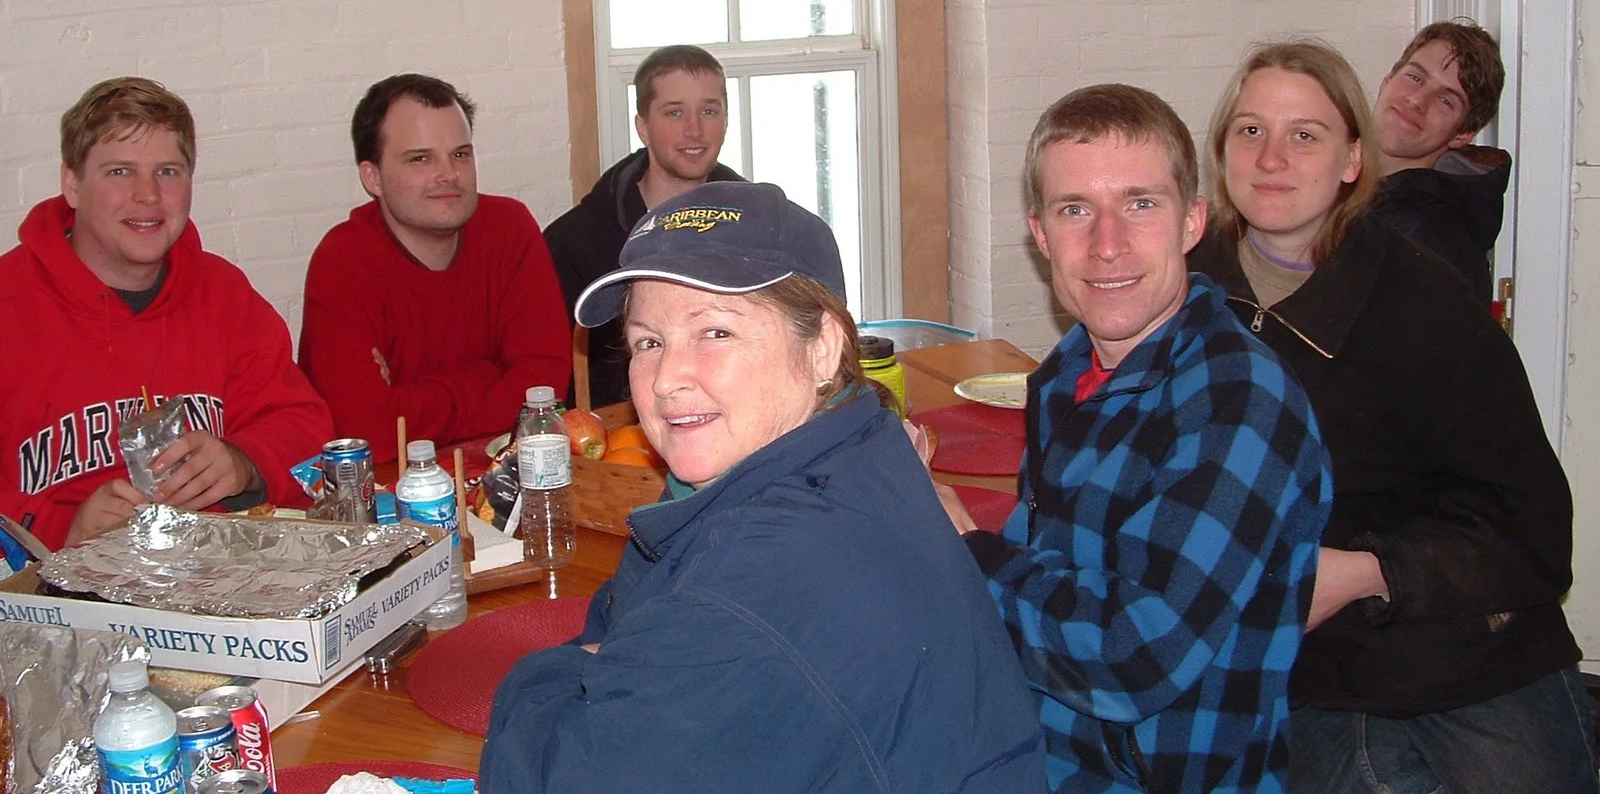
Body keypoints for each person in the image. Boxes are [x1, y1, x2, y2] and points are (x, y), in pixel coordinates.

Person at [479, 181, 1046, 794]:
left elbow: (543, 778)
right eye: (648, 341)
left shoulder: (760, 580)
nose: (667, 378)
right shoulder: (856, 447)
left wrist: (542, 677)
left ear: (824, 347)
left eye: (715, 332)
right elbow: (626, 621)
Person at [1188, 40, 1593, 793]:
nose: (1272, 156)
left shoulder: (1429, 308)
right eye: (1250, 130)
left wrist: (1367, 570)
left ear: (1351, 160)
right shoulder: (1179, 298)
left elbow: (1535, 529)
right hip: (1305, 668)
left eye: (1304, 134)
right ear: (1221, 152)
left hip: (1466, 643)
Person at [938, 85, 1330, 794]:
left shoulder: (1237, 403)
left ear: (1192, 222)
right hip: (1041, 748)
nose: (1107, 244)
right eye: (1075, 210)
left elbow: (1132, 658)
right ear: (1041, 233)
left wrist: (967, 547)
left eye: (1141, 204)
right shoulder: (1065, 374)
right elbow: (1052, 570)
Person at [0, 77, 332, 549]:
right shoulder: (10, 306)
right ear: (72, 183)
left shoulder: (223, 295)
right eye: (119, 172)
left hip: (217, 578)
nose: (148, 195)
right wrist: (59, 529)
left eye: (169, 172)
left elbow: (305, 425)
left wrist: (244, 462)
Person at [299, 74, 570, 462]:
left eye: (460, 154)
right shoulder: (343, 261)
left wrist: (411, 400)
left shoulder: (509, 227)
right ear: (371, 177)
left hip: (509, 473)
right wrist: (485, 375)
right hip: (394, 494)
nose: (449, 174)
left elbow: (544, 393)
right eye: (420, 159)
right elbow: (365, 429)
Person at [544, 45, 741, 407]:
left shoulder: (759, 229)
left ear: (726, 121)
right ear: (643, 127)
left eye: (709, 111)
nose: (694, 130)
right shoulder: (573, 243)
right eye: (674, 112)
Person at [1370, 19, 1509, 303]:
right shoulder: (1329, 184)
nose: (1417, 100)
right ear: (1387, 80)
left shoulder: (1435, 245)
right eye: (1415, 77)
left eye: (1446, 101)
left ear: (1463, 134)